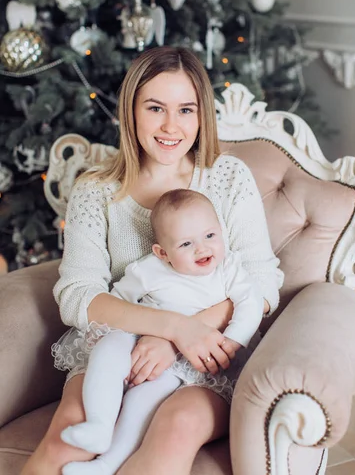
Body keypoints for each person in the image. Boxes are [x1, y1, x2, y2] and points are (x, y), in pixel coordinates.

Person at [21, 46, 283, 475]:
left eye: (185, 110)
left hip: (209, 358)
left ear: (202, 116)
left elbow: (262, 281)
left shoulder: (227, 178)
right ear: (131, 112)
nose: (170, 126)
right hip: (117, 348)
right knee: (70, 433)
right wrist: (170, 327)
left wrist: (186, 336)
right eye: (155, 108)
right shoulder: (97, 190)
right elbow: (77, 295)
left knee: (173, 433)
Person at [58, 189, 265, 475]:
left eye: (209, 236)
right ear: (162, 252)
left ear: (221, 232)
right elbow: (119, 304)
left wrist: (232, 341)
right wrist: (129, 336)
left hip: (189, 359)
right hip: (144, 337)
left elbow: (251, 303)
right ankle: (99, 424)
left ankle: (108, 463)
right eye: (186, 243)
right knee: (108, 348)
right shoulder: (149, 270)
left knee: (142, 398)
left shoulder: (228, 268)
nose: (202, 249)